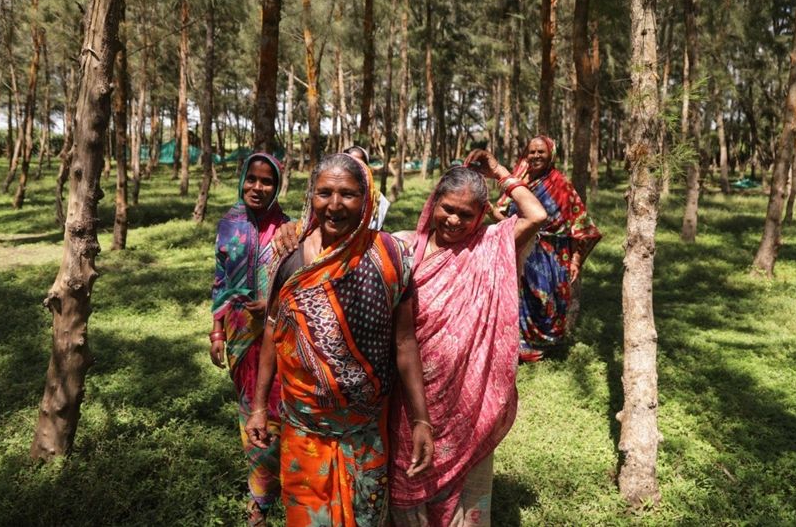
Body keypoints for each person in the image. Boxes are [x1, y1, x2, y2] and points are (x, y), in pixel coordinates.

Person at [245, 153, 434, 527]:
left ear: (366, 199)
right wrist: (259, 407)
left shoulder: (391, 256)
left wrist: (421, 420)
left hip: (366, 431)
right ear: (311, 197)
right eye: (324, 193)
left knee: (365, 518)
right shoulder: (290, 262)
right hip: (304, 429)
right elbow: (272, 333)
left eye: (347, 194)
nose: (334, 205)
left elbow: (405, 342)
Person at [388, 152, 547, 526]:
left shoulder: (489, 246)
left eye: (466, 214)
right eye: (448, 209)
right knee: (405, 474)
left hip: (465, 397)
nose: (455, 220)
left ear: (481, 216)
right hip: (407, 391)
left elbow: (536, 215)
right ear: (433, 203)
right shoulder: (403, 247)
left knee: (463, 483)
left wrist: (499, 172)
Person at [209, 153, 290, 525]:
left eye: (267, 181)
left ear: (277, 186)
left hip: (279, 336)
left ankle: (292, 489)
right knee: (250, 417)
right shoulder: (228, 223)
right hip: (240, 338)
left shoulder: (290, 229)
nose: (258, 187)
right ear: (242, 180)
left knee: (277, 414)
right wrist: (216, 331)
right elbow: (220, 280)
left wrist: (272, 303)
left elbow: (298, 282)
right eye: (252, 179)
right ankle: (260, 496)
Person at [490, 136, 602, 362]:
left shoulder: (560, 184)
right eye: (531, 152)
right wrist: (489, 211)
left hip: (552, 254)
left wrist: (576, 260)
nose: (535, 156)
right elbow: (504, 217)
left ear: (551, 154)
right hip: (520, 249)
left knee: (545, 299)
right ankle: (520, 345)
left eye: (541, 152)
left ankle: (541, 344)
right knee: (516, 298)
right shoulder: (519, 182)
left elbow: (582, 224)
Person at [344, 144, 391, 230]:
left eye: (360, 163)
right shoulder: (334, 191)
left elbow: (379, 229)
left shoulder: (376, 198)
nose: (355, 167)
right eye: (351, 162)